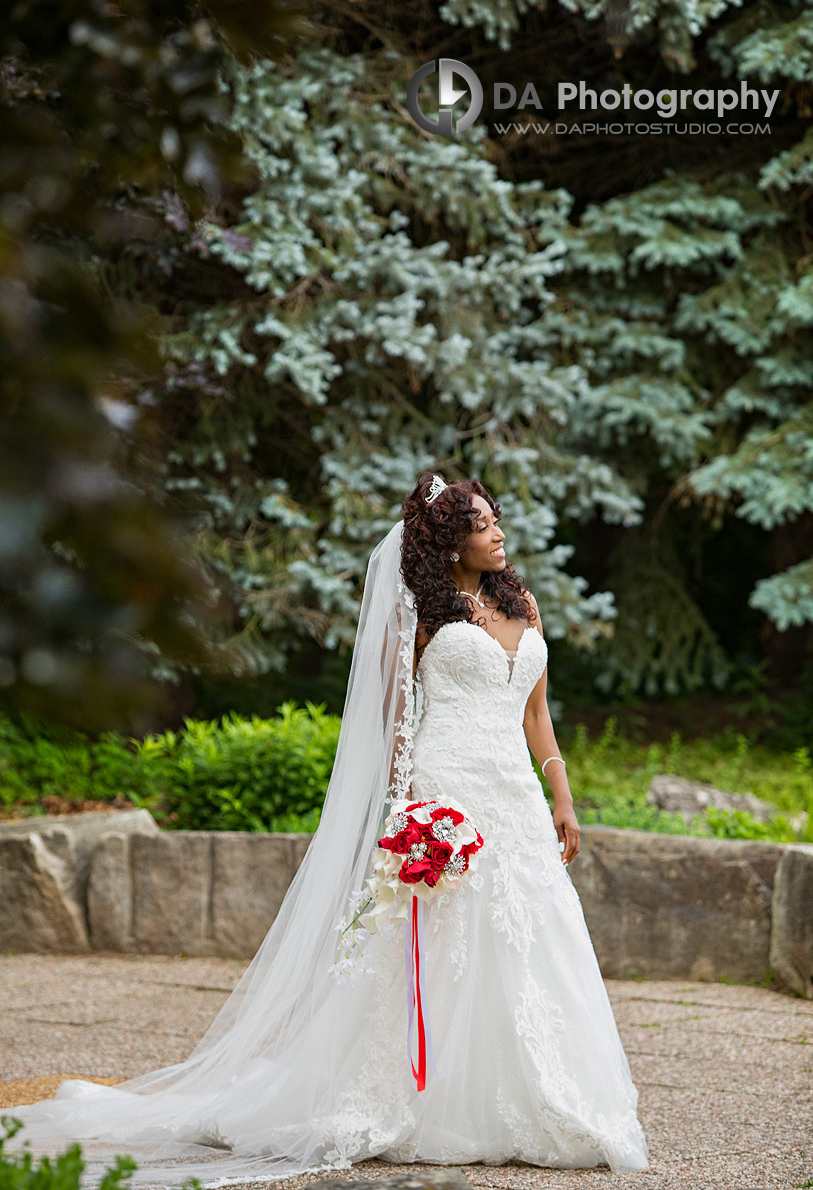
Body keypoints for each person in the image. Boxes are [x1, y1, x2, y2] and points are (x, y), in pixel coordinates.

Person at [5, 473, 649, 1187]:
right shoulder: (419, 614)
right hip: (447, 785)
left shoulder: (521, 604)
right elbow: (394, 722)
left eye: (497, 520)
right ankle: (422, 1098)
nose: (498, 533)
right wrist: (406, 812)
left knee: (530, 931)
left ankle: (536, 1095)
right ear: (448, 540)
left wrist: (561, 795)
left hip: (516, 797)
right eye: (481, 524)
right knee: (445, 940)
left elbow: (534, 713)